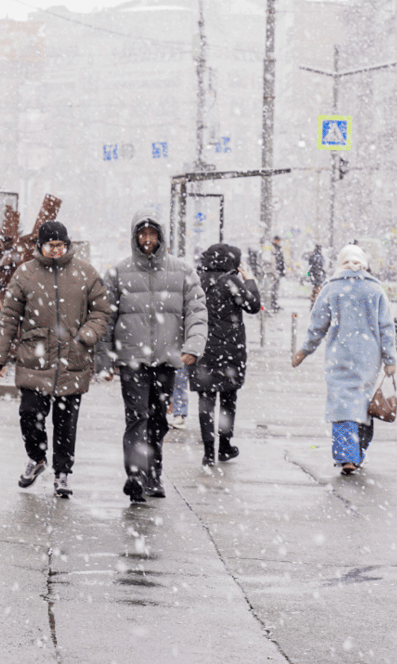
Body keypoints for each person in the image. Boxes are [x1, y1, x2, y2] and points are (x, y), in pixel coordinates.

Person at [0, 221, 110, 499]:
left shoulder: (85, 273)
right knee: (30, 415)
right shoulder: (26, 274)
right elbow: (8, 317)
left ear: (67, 245)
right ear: (40, 245)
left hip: (73, 360)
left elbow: (101, 311)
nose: (56, 250)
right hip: (35, 358)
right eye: (51, 245)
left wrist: (86, 335)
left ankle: (62, 474)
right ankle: (37, 459)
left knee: (66, 423)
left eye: (61, 245)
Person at [99, 211, 208, 503]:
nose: (147, 240)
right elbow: (105, 317)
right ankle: (135, 475)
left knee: (158, 420)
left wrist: (193, 346)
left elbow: (197, 312)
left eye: (152, 234)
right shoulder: (119, 272)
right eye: (142, 234)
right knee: (137, 417)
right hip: (131, 359)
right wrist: (105, 359)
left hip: (166, 359)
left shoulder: (182, 272)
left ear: (161, 236)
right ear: (135, 237)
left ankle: (154, 474)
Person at [290, 244, 395, 475]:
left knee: (342, 407)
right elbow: (387, 327)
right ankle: (359, 452)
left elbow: (317, 326)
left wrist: (304, 351)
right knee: (364, 406)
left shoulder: (331, 288)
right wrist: (390, 359)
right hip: (369, 359)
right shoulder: (375, 289)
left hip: (339, 357)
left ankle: (347, 456)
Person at [192, 243, 261, 466]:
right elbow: (252, 305)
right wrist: (249, 280)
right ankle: (224, 446)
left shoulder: (196, 280)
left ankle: (208, 451)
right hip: (230, 351)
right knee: (228, 399)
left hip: (202, 347)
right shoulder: (231, 281)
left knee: (206, 400)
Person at [270, 236, 286, 310]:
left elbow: (281, 260)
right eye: (278, 240)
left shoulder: (278, 248)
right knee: (273, 289)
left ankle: (274, 303)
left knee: (275, 289)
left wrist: (282, 271)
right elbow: (277, 260)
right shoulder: (273, 248)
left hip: (277, 271)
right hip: (274, 271)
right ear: (275, 240)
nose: (279, 242)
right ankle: (273, 304)